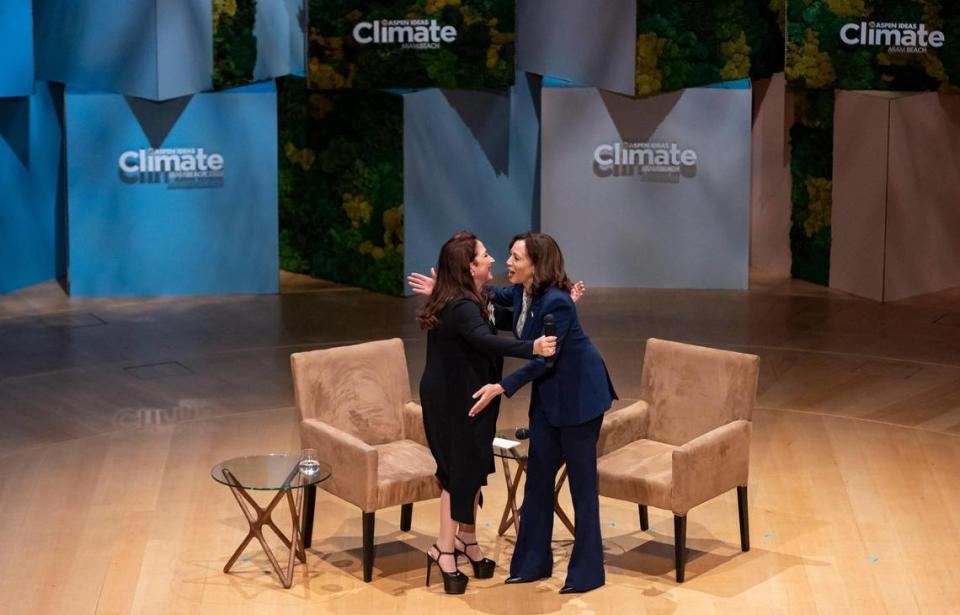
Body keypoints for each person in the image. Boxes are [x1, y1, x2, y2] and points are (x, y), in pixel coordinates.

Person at [470, 232, 617, 594]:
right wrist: (445, 287)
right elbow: (487, 294)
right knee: (537, 482)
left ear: (536, 264)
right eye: (508, 255)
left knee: (583, 488)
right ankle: (531, 565)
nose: (508, 262)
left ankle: (587, 573)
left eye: (516, 257)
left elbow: (543, 361)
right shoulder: (522, 292)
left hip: (580, 398)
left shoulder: (557, 303)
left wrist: (502, 386)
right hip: (549, 400)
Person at [416, 231, 557, 595]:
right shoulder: (462, 305)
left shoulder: (472, 297)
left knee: (474, 467)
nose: (493, 259)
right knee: (457, 473)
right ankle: (444, 550)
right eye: (485, 256)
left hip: (473, 394)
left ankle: (467, 540)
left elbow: (514, 313)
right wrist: (534, 348)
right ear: (470, 267)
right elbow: (486, 340)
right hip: (453, 400)